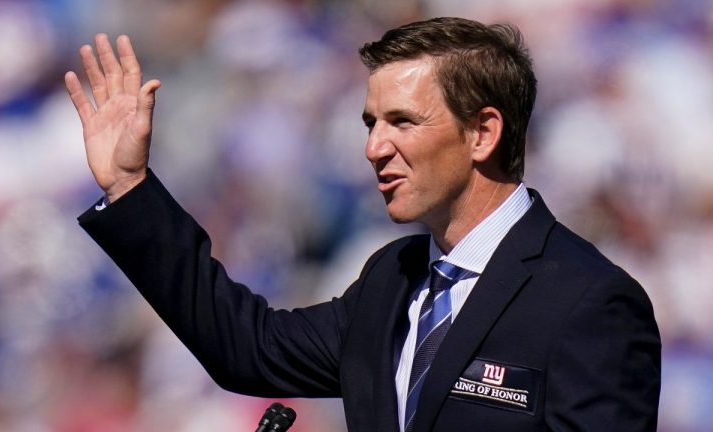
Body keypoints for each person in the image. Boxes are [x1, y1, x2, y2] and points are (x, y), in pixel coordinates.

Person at [66, 17, 661, 432]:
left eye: (402, 121)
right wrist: (129, 186)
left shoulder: (591, 301)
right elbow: (245, 349)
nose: (374, 147)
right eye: (370, 122)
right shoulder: (393, 277)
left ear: (483, 131)